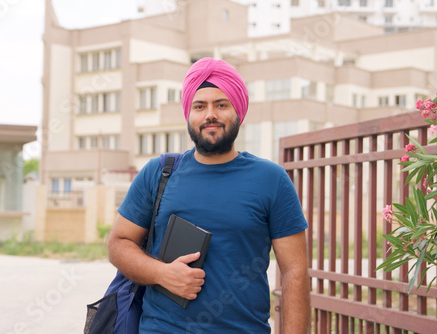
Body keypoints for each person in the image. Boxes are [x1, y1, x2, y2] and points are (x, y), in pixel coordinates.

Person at [107, 57, 310, 333]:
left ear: (238, 111)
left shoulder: (271, 180)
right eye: (199, 106)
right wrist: (162, 274)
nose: (210, 115)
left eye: (221, 105)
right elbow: (119, 243)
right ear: (189, 114)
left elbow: (294, 271)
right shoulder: (159, 173)